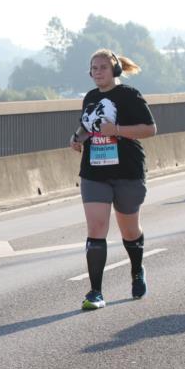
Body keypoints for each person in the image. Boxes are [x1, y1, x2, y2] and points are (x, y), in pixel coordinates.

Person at [69, 49, 157, 310]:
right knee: (96, 229)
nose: (97, 73)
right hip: (94, 171)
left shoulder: (129, 96)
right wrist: (76, 138)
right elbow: (87, 125)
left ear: (115, 70)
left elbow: (150, 129)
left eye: (102, 68)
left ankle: (137, 269)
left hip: (127, 171)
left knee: (129, 230)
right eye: (93, 68)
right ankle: (95, 292)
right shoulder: (91, 97)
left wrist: (117, 131)